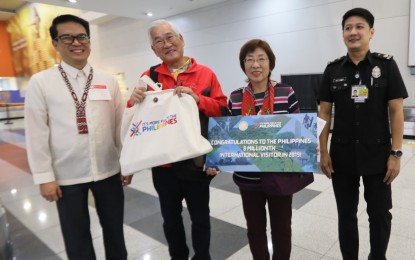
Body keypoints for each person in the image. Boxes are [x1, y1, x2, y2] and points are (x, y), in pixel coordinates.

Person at [24, 14, 131, 260]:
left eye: (82, 36)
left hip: (108, 170)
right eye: (67, 37)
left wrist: (126, 163)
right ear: (55, 44)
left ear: (89, 41)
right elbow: (36, 133)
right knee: (76, 237)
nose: (76, 43)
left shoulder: (107, 80)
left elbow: (119, 126)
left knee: (115, 231)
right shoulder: (41, 83)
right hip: (66, 176)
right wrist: (44, 177)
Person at [128, 19, 227, 260]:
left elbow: (222, 111)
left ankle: (202, 256)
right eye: (158, 41)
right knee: (170, 220)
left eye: (170, 37)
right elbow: (135, 118)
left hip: (196, 161)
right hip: (163, 166)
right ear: (153, 49)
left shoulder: (205, 74)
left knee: (200, 217)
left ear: (181, 39)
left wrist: (198, 99)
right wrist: (134, 100)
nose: (166, 44)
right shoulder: (149, 76)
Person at [318, 8, 408, 260]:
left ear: (371, 32)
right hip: (341, 156)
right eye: (348, 28)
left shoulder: (386, 66)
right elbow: (323, 113)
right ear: (343, 34)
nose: (353, 32)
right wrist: (323, 151)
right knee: (346, 215)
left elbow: (396, 112)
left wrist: (396, 153)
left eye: (359, 27)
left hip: (378, 156)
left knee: (379, 214)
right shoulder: (333, 70)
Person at [226, 39, 313, 260]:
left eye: (261, 59)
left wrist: (308, 147)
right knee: (255, 229)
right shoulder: (235, 97)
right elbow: (229, 136)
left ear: (270, 64)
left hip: (281, 175)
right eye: (250, 59)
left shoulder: (286, 92)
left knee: (282, 228)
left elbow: (298, 131)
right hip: (247, 177)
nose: (256, 64)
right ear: (243, 65)